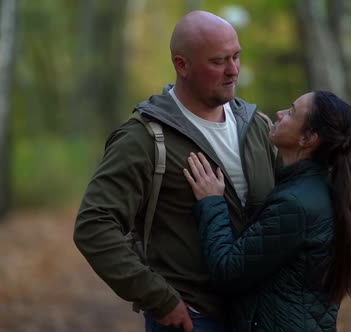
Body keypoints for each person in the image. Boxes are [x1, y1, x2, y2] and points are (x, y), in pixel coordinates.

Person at [73, 10, 277, 332]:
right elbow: (94, 225)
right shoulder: (143, 138)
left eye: (236, 57)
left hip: (262, 317)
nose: (233, 70)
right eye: (218, 61)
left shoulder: (257, 127)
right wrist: (158, 298)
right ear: (182, 65)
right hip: (194, 320)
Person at [183, 91, 351, 331]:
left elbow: (227, 271)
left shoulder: (295, 205)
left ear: (308, 139)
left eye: (291, 112)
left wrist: (212, 202)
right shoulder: (315, 189)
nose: (280, 114)